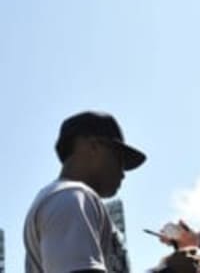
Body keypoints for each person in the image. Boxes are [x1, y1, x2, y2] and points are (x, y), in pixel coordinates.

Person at [24, 111, 146, 273]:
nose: (123, 173)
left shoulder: (72, 199)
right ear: (93, 146)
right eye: (119, 158)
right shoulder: (71, 198)